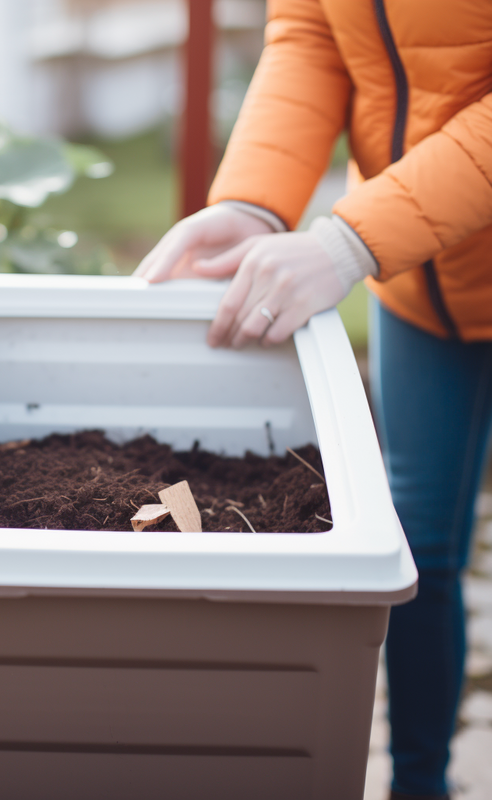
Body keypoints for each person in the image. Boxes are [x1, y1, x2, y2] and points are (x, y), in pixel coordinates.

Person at [135, 2, 492, 798]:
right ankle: (420, 783)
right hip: (420, 282)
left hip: (385, 239)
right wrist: (255, 202)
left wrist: (348, 242)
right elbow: (311, 33)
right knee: (419, 551)